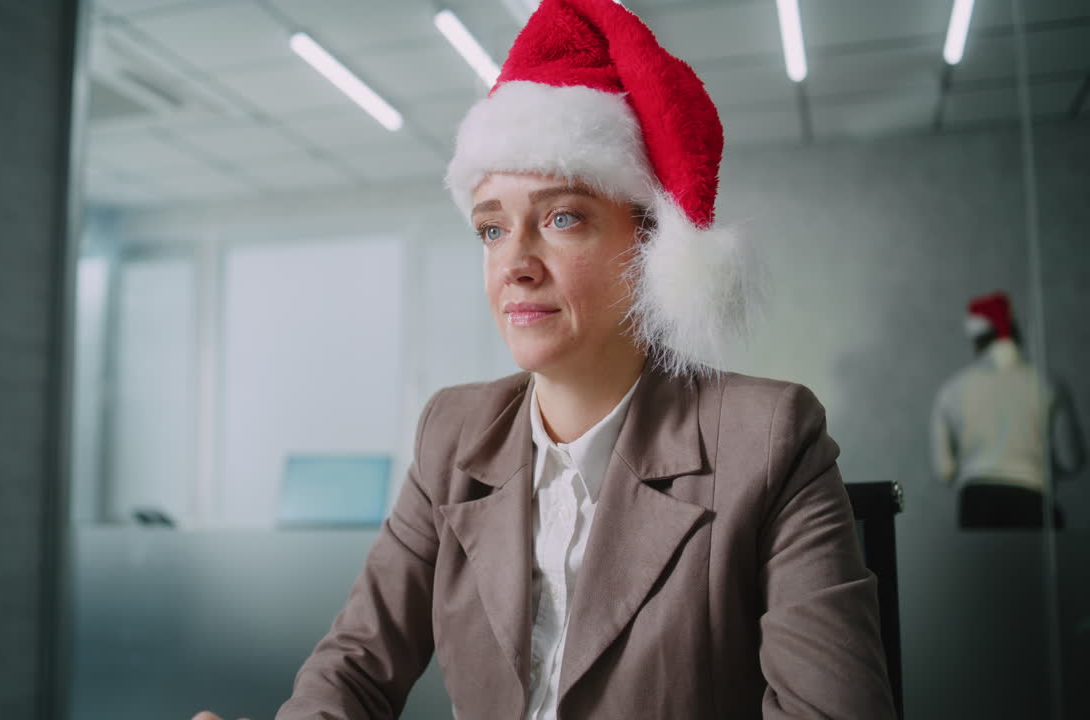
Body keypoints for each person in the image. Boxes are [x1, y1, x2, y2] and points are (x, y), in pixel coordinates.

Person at [196, 0, 894, 717]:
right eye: (492, 229)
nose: (515, 265)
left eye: (562, 217)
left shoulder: (769, 438)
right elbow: (354, 667)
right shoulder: (454, 433)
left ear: (650, 246)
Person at [931, 291, 1084, 529]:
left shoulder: (951, 390)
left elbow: (945, 470)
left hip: (975, 505)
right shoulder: (1048, 384)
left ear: (975, 339)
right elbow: (1071, 460)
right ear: (1014, 330)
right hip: (1033, 500)